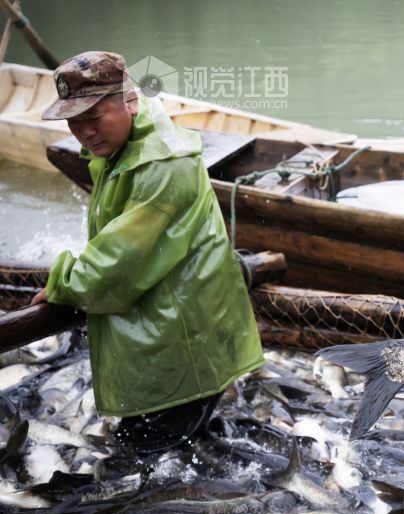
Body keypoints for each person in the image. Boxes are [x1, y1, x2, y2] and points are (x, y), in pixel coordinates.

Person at [31, 51, 265, 454]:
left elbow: (118, 263)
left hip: (184, 339)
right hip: (174, 333)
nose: (84, 132)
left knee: (144, 460)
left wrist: (62, 283)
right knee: (169, 450)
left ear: (131, 102)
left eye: (95, 117)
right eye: (74, 121)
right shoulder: (123, 149)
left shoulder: (163, 165)